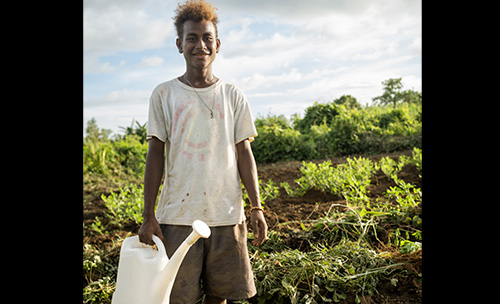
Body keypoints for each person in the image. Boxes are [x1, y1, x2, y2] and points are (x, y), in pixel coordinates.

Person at [137, 1, 268, 303]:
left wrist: (257, 207)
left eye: (207, 38)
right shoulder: (164, 94)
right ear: (179, 44)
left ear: (217, 44)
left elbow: (244, 153)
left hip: (226, 215)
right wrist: (148, 215)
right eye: (192, 38)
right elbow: (155, 154)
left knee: (220, 296)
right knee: (177, 296)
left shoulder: (232, 95)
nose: (200, 45)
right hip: (177, 216)